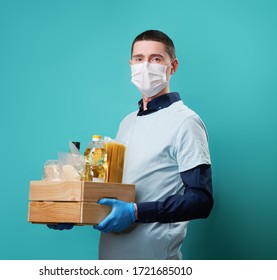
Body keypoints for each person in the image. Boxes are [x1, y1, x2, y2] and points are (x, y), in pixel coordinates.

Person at [48, 30, 213, 260]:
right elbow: (115, 195)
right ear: (131, 64)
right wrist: (72, 211)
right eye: (139, 59)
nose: (145, 66)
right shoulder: (127, 122)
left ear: (173, 66)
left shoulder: (185, 121)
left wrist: (136, 212)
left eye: (155, 59)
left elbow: (201, 200)